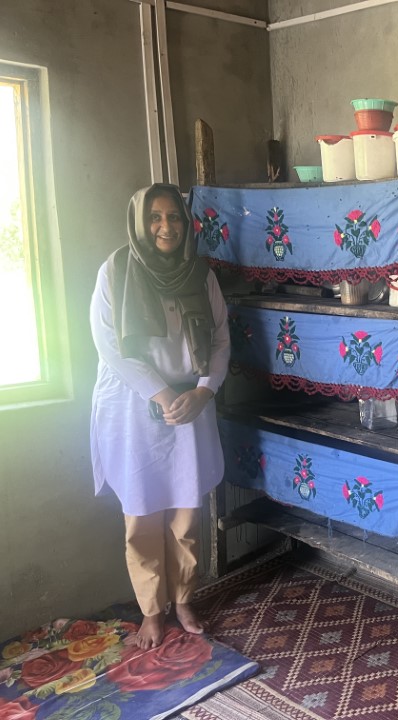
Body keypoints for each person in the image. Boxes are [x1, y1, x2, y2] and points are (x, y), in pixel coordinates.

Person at [89, 183, 230, 649]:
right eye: (155, 217)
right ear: (139, 223)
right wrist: (163, 392)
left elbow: (221, 337)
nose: (165, 227)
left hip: (190, 402)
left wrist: (204, 390)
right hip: (134, 404)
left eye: (173, 217)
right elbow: (109, 345)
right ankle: (152, 610)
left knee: (187, 511)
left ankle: (184, 599)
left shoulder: (201, 275)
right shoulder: (116, 272)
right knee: (142, 511)